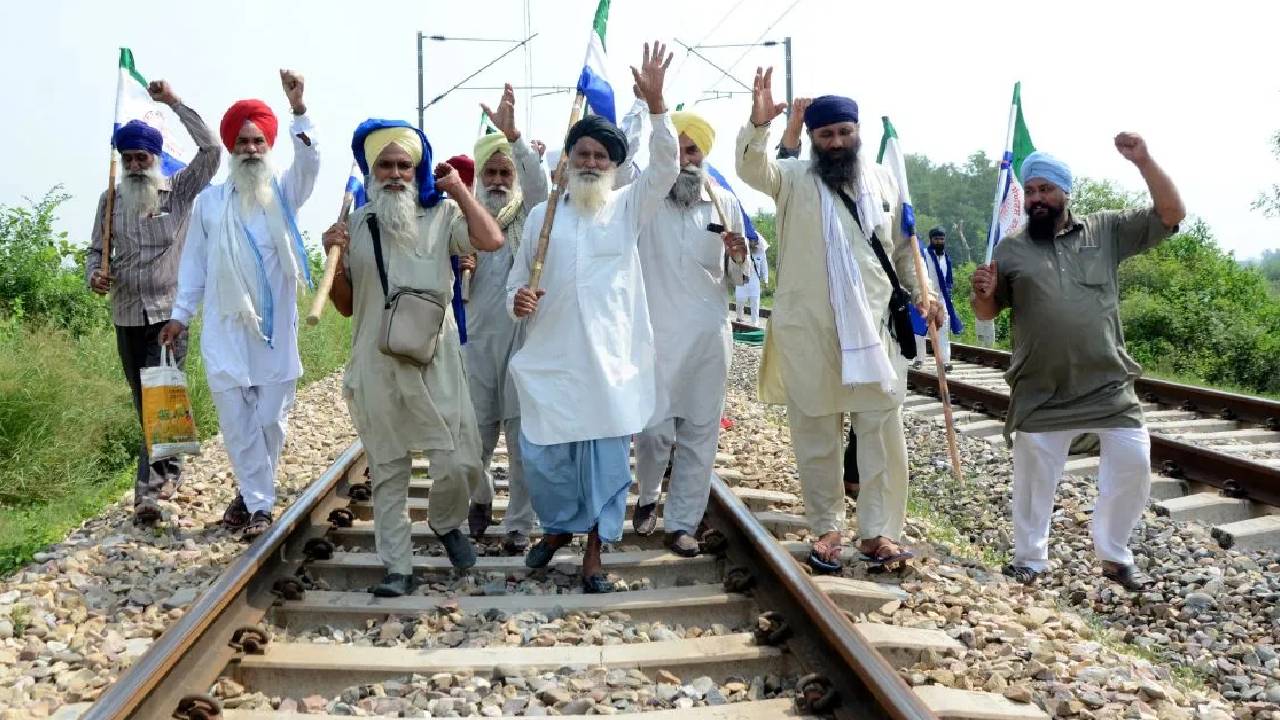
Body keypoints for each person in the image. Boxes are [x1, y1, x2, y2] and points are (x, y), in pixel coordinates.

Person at [736, 69, 942, 572]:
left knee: (882, 433)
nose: (835, 142)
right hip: (811, 331)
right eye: (825, 135)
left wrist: (926, 295)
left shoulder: (884, 180)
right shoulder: (792, 178)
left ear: (857, 133)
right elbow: (751, 168)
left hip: (875, 327)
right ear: (812, 139)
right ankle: (826, 528)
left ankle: (878, 534)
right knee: (816, 433)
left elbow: (901, 249)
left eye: (843, 133)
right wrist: (760, 126)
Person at [970, 136, 1184, 590]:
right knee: (1034, 478)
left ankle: (1115, 555)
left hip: (1107, 383)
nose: (1037, 199)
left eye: (1046, 189)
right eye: (1031, 191)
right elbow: (987, 312)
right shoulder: (1010, 250)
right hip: (1041, 386)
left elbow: (1171, 215)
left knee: (1132, 459)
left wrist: (1144, 161)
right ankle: (1030, 558)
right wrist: (982, 293)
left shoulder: (1104, 231)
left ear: (1065, 191)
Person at [506, 41, 677, 593]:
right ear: (567, 160)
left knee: (605, 462)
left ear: (614, 167)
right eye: (582, 154)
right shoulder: (542, 214)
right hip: (553, 357)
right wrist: (519, 300)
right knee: (547, 456)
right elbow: (516, 281)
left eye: (601, 157)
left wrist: (656, 107)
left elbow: (667, 165)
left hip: (609, 363)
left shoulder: (628, 208)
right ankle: (558, 529)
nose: (591, 162)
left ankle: (595, 555)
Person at [322, 119, 503, 596]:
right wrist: (333, 257)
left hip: (435, 358)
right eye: (386, 165)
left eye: (405, 165)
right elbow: (343, 305)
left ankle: (446, 523)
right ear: (371, 170)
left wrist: (461, 191)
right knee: (388, 468)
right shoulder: (355, 226)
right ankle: (398, 567)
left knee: (461, 462)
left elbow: (491, 240)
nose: (396, 174)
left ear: (417, 168)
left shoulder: (443, 215)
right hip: (376, 361)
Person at [159, 70, 319, 539]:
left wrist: (298, 110)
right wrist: (180, 315)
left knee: (270, 420)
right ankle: (259, 507)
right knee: (237, 423)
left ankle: (252, 494)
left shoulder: (285, 194)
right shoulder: (209, 203)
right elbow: (193, 266)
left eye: (258, 141)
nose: (251, 149)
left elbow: (311, 163)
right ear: (231, 149)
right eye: (243, 142)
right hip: (225, 332)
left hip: (274, 333)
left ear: (269, 145)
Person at [85, 80, 221, 527]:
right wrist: (96, 275)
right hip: (126, 312)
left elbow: (212, 151)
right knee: (144, 398)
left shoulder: (179, 192)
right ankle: (171, 467)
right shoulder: (111, 199)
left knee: (155, 397)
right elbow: (95, 252)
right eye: (128, 159)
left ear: (155, 158)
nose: (135, 165)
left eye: (142, 157)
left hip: (169, 313)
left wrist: (176, 103)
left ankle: (147, 494)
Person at [631, 110, 750, 555]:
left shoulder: (724, 203)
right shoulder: (643, 200)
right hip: (654, 338)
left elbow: (740, 278)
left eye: (691, 149)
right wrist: (649, 105)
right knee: (653, 432)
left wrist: (738, 257)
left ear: (703, 156)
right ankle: (647, 495)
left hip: (707, 338)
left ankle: (681, 523)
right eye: (675, 149)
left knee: (700, 435)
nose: (683, 158)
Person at [458, 84, 550, 554]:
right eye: (490, 172)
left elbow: (541, 187)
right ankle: (479, 500)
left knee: (520, 439)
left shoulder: (530, 214)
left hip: (521, 340)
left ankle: (519, 522)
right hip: (475, 341)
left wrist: (514, 137)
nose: (496, 180)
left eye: (503, 172)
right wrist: (460, 269)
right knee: (473, 438)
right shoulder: (463, 217)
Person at [912, 226, 962, 370]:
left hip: (942, 299)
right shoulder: (924, 255)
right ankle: (919, 359)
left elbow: (948, 281)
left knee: (943, 330)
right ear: (931, 240)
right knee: (920, 330)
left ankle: (945, 362)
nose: (939, 242)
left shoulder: (946, 257)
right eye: (936, 239)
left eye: (942, 239)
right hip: (925, 296)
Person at [734, 232, 769, 325]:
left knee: (755, 301)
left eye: (754, 241)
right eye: (750, 240)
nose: (752, 242)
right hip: (743, 279)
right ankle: (740, 318)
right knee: (740, 300)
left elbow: (764, 266)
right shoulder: (741, 250)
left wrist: (765, 280)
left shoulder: (761, 252)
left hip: (755, 280)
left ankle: (755, 323)